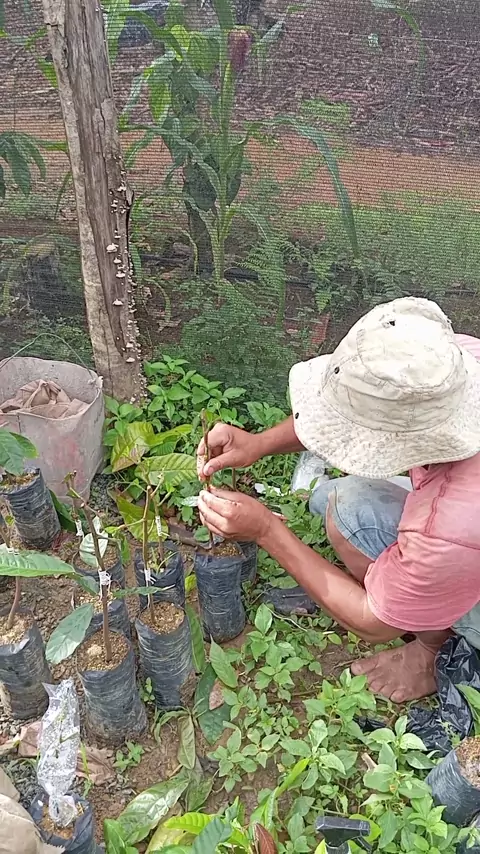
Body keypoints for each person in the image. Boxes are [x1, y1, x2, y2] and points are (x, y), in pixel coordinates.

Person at [197, 297, 480, 703]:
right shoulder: (450, 364)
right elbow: (350, 413)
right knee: (342, 502)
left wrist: (266, 530)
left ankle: (431, 649)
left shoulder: (450, 526)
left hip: (464, 537)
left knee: (349, 518)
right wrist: (259, 444)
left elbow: (373, 622)